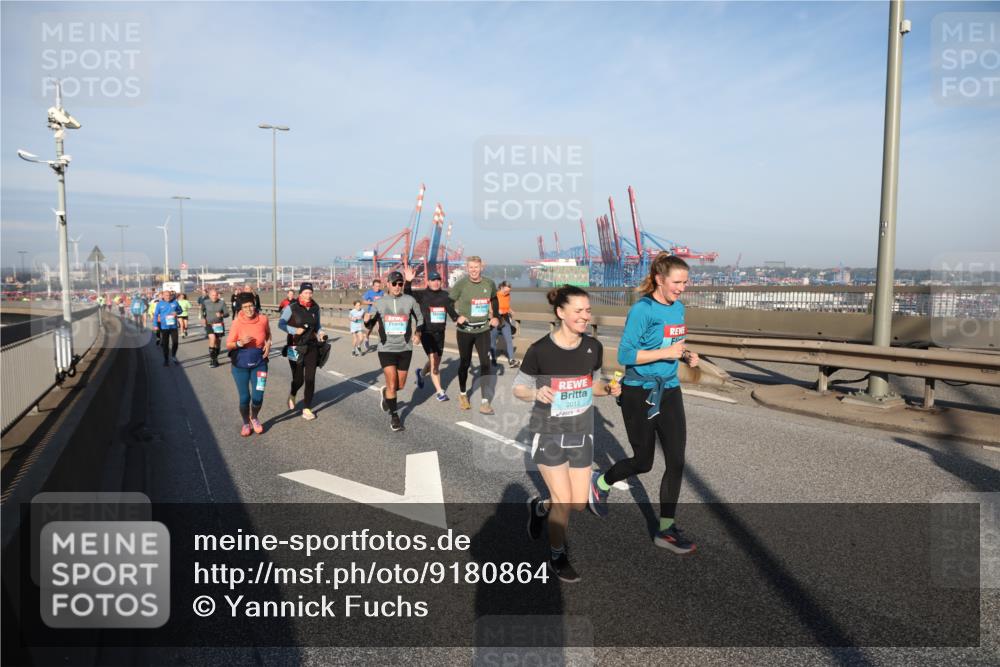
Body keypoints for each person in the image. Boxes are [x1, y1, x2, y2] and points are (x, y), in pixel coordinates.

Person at [589, 253, 700, 554]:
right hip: (639, 393)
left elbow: (672, 344)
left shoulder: (678, 308)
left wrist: (685, 355)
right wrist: (667, 354)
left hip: (670, 389)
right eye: (677, 282)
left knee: (676, 461)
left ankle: (665, 530)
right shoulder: (642, 310)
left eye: (685, 282)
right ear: (660, 279)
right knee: (643, 462)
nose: (682, 288)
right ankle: (601, 483)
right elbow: (625, 355)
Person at [514, 285, 621, 582]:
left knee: (577, 503)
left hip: (580, 432)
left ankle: (539, 507)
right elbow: (518, 388)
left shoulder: (593, 347)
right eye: (578, 311)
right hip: (547, 432)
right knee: (563, 501)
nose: (585, 316)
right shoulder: (540, 350)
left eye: (588, 310)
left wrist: (608, 389)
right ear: (561, 313)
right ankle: (557, 556)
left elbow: (593, 385)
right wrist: (536, 393)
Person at [364, 271, 423, 432]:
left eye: (400, 284)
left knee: (400, 385)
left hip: (405, 348)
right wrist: (366, 321)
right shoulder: (379, 303)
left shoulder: (410, 300)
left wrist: (418, 333)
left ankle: (386, 394)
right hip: (386, 348)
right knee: (391, 383)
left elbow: (420, 318)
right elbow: (370, 324)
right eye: (394, 283)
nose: (397, 286)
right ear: (388, 284)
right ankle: (395, 417)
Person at [448, 256, 500, 414]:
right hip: (465, 331)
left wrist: (496, 316)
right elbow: (448, 303)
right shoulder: (461, 284)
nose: (473, 270)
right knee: (465, 363)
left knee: (485, 363)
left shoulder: (489, 283)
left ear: (481, 268)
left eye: (476, 267)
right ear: (467, 268)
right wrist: (456, 317)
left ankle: (485, 402)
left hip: (483, 330)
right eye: (471, 267)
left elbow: (494, 299)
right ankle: (463, 394)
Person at [404, 267, 457, 401]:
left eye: (438, 280)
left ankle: (421, 374)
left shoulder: (445, 296)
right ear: (428, 282)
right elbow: (407, 295)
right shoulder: (422, 294)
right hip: (426, 333)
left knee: (435, 361)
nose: (436, 282)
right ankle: (440, 392)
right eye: (433, 280)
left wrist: (457, 319)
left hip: (440, 333)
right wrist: (408, 281)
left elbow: (451, 311)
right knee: (434, 361)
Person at [279, 282, 329, 421]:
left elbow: (317, 325)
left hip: (312, 345)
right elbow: (281, 324)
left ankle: (307, 408)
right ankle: (293, 393)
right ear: (300, 294)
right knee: (298, 379)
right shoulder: (291, 307)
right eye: (306, 292)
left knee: (310, 378)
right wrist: (295, 330)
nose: (308, 295)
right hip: (294, 346)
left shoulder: (315, 308)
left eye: (310, 292)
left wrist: (321, 332)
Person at [226, 292, 272, 436]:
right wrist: (240, 343)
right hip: (240, 364)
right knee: (245, 397)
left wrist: (268, 344)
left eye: (251, 305)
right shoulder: (236, 323)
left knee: (258, 396)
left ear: (254, 305)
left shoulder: (263, 319)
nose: (249, 309)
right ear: (241, 308)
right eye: (245, 307)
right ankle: (246, 423)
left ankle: (254, 418)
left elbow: (268, 334)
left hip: (260, 363)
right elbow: (229, 344)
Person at [490, 281, 520, 368]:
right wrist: (495, 313)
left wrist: (511, 311)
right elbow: (490, 308)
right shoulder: (494, 295)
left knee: (509, 340)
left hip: (505, 320)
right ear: (501, 287)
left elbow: (507, 306)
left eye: (509, 291)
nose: (507, 292)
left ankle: (511, 360)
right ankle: (493, 358)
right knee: (493, 341)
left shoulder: (508, 296)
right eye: (506, 291)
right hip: (496, 320)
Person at [153, 290, 183, 367]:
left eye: (169, 295)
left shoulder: (175, 302)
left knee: (175, 342)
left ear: (171, 296)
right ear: (163, 296)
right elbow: (155, 315)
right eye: (166, 295)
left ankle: (173, 356)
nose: (168, 297)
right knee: (165, 344)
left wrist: (177, 312)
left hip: (173, 326)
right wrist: (155, 325)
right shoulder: (160, 304)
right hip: (164, 327)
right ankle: (166, 360)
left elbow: (180, 310)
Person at [201, 288, 228, 368]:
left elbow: (227, 313)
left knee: (218, 343)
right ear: (209, 295)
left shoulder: (222, 302)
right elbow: (202, 310)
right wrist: (203, 318)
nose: (214, 297)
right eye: (213, 295)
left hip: (219, 325)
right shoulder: (205, 302)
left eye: (216, 295)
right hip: (209, 324)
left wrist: (222, 315)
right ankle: (213, 360)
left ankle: (215, 357)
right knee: (212, 338)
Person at [361, 278, 384, 352]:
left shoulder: (382, 292)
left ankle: (381, 344)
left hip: (379, 313)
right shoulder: (369, 292)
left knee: (380, 328)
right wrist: (371, 302)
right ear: (373, 286)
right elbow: (363, 301)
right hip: (371, 313)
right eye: (376, 286)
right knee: (370, 328)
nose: (378, 287)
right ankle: (366, 338)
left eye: (379, 286)